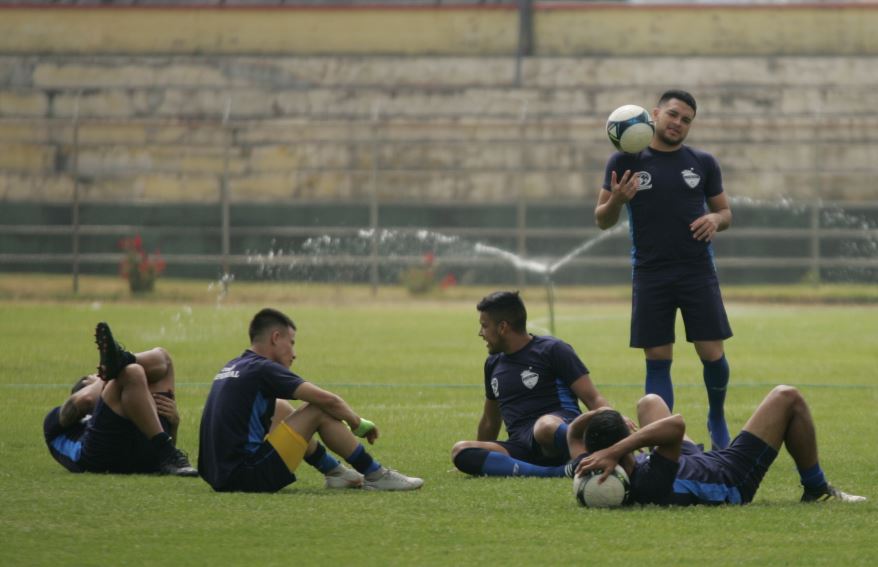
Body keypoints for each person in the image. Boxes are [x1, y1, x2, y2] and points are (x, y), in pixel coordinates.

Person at [594, 89, 734, 450]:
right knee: (658, 357)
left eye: (686, 119)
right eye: (673, 114)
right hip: (651, 273)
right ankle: (663, 438)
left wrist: (715, 220)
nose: (678, 123)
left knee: (712, 354)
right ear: (654, 113)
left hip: (697, 271)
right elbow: (602, 220)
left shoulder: (702, 162)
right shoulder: (623, 161)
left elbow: (725, 212)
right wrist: (618, 200)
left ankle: (716, 416)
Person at [198, 307, 423, 493]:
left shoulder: (233, 365)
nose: (294, 353)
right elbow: (328, 401)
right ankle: (376, 474)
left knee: (280, 408)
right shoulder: (263, 368)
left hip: (218, 476)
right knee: (317, 409)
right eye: (292, 342)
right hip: (245, 477)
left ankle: (336, 473)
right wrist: (357, 423)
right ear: (276, 338)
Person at [570, 386, 866, 505]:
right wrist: (616, 448)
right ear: (620, 449)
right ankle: (817, 488)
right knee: (787, 397)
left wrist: (602, 416)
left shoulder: (589, 467)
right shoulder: (648, 483)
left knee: (649, 402)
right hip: (728, 475)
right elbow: (676, 425)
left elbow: (573, 433)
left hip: (686, 464)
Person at [451, 290, 609, 478]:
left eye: (484, 326)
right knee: (460, 450)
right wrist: (476, 454)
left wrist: (614, 427)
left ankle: (587, 455)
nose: (481, 333)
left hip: (558, 431)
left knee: (544, 426)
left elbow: (593, 397)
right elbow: (490, 420)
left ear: (502, 327)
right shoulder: (493, 363)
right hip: (521, 446)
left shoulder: (552, 350)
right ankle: (560, 472)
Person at [43, 322, 197, 476]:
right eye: (95, 378)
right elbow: (87, 399)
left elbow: (165, 460)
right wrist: (104, 379)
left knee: (163, 358)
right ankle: (121, 361)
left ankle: (123, 358)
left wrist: (174, 424)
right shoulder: (55, 420)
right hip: (100, 456)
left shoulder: (128, 402)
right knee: (131, 372)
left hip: (145, 456)